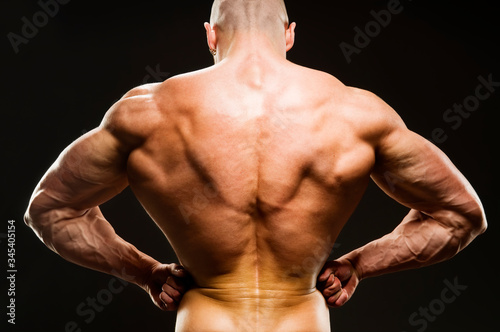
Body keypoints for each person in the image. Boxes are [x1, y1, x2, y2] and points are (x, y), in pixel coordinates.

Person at [24, 0, 487, 331]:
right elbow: (462, 215)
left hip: (205, 318)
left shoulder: (149, 112)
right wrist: (361, 265)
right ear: (289, 33)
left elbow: (49, 211)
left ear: (210, 33)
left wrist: (145, 272)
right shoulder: (357, 113)